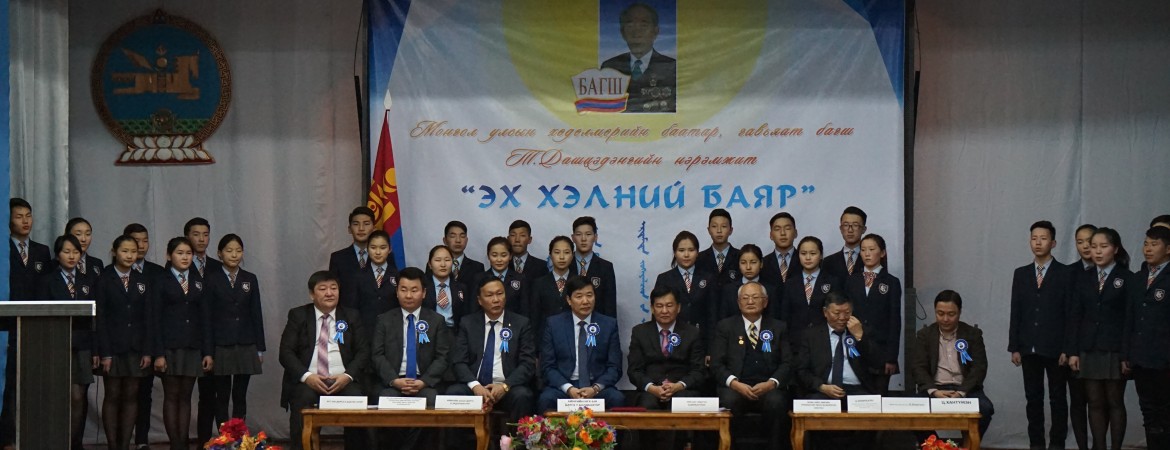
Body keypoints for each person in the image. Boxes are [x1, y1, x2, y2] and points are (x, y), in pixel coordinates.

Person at [279, 271, 369, 450]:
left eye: (333, 288)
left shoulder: (351, 316)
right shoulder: (298, 315)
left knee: (357, 403)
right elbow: (285, 353)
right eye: (323, 289)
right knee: (302, 402)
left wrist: (347, 376)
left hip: (343, 380)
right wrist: (307, 377)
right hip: (309, 381)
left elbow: (363, 351)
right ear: (312, 294)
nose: (329, 293)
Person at [1008, 220, 1075, 450]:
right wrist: (1014, 346)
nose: (1038, 242)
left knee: (1058, 399)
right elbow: (1016, 311)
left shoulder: (1065, 273)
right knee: (1033, 399)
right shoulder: (1021, 273)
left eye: (1043, 238)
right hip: (1028, 346)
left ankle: (1057, 444)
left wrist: (1067, 348)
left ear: (1053, 243)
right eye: (1034, 238)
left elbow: (1070, 314)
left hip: (1056, 348)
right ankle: (1036, 444)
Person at [372, 267, 453, 449]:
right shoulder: (384, 320)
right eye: (403, 289)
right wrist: (394, 380)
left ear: (424, 293)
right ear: (397, 292)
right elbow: (377, 355)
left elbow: (442, 357)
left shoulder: (436, 320)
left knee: (432, 400)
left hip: (423, 383)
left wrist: (424, 382)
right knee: (385, 400)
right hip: (393, 383)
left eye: (414, 290)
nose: (408, 295)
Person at [1069, 227, 1130, 450]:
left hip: (1114, 348)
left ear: (1115, 249)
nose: (1097, 251)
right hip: (1088, 347)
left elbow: (1129, 319)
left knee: (1114, 402)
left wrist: (1126, 354)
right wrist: (1073, 351)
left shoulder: (1127, 277)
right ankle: (1099, 446)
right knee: (1094, 402)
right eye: (1093, 246)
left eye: (1103, 246)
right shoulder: (1084, 277)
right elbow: (1075, 316)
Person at [710, 282, 790, 450]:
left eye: (755, 297)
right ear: (738, 302)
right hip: (736, 387)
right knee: (729, 401)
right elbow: (717, 364)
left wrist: (771, 383)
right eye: (745, 298)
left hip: (767, 387)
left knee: (776, 402)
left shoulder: (779, 327)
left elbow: (787, 363)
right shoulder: (725, 327)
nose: (750, 301)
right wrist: (735, 384)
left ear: (765, 302)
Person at [796, 291, 881, 448]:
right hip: (824, 390)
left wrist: (860, 336)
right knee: (812, 416)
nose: (842, 318)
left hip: (857, 391)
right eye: (837, 313)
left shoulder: (863, 331)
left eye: (847, 313)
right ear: (825, 312)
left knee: (873, 415)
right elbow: (802, 370)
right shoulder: (811, 335)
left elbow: (877, 362)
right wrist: (821, 386)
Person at [150, 237, 213, 450]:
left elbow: (205, 318)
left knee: (185, 396)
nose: (185, 257)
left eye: (188, 253)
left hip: (193, 346)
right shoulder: (160, 280)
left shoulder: (198, 280)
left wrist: (207, 352)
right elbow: (154, 319)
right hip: (169, 347)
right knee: (171, 395)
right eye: (180, 253)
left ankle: (183, 443)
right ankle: (175, 444)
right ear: (169, 256)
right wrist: (158, 353)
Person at [447, 276, 537, 423]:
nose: (496, 300)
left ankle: (515, 438)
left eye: (500, 294)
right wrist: (476, 386)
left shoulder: (521, 323)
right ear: (479, 300)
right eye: (489, 295)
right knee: (454, 392)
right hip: (475, 388)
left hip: (508, 387)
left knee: (523, 395)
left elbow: (527, 363)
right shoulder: (468, 323)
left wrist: (504, 386)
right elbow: (459, 362)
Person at [36, 235, 97, 450]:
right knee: (58, 397)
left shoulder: (89, 280)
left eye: (76, 252)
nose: (71, 256)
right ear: (57, 255)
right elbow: (41, 318)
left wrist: (96, 350)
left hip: (83, 346)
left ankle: (74, 443)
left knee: (79, 397)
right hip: (57, 345)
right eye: (66, 251)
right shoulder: (47, 281)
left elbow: (96, 319)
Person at [96, 235, 154, 450]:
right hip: (112, 347)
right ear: (114, 252)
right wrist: (105, 352)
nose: (130, 255)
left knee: (131, 396)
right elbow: (100, 317)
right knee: (112, 395)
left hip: (136, 347)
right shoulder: (104, 278)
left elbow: (148, 317)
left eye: (133, 251)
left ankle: (125, 444)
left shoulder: (142, 280)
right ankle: (113, 445)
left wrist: (147, 350)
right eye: (125, 251)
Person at [910, 290, 994, 439]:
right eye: (940, 313)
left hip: (966, 390)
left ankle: (966, 444)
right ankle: (935, 446)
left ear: (959, 312)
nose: (945, 319)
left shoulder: (972, 334)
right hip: (935, 389)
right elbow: (918, 367)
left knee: (985, 408)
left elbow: (979, 368)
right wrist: (934, 391)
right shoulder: (925, 335)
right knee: (910, 410)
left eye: (951, 314)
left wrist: (961, 393)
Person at [2, 198, 51, 447]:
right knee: (8, 385)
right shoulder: (3, 249)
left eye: (28, 215)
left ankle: (33, 436)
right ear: (8, 219)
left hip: (35, 328)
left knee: (33, 385)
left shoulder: (42, 251)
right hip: (7, 328)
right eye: (19, 216)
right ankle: (7, 438)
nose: (25, 221)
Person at [537, 276, 624, 412]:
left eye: (589, 295)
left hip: (596, 386)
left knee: (617, 398)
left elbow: (615, 367)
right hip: (565, 386)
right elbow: (548, 366)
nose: (585, 301)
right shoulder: (554, 324)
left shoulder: (608, 324)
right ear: (569, 300)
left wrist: (595, 388)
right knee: (546, 399)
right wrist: (569, 388)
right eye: (579, 296)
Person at [205, 234, 265, 426]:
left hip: (246, 343)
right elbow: (207, 317)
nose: (234, 255)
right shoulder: (211, 279)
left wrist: (259, 348)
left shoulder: (250, 278)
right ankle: (224, 437)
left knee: (240, 394)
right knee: (222, 394)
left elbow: (256, 313)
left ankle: (239, 436)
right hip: (221, 344)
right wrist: (208, 351)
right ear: (219, 254)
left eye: (238, 251)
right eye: (229, 250)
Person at [1123, 226, 1170, 448]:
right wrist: (1126, 354)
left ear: (1168, 249)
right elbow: (1129, 318)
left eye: (1154, 244)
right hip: (1140, 357)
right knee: (1148, 411)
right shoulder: (1138, 278)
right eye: (1146, 244)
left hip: (1164, 359)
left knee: (1165, 412)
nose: (1148, 249)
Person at [123, 223, 165, 450]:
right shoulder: (114, 272)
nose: (140, 245)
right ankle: (120, 441)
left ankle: (141, 440)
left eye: (145, 240)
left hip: (148, 341)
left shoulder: (157, 272)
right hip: (123, 342)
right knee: (122, 394)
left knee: (144, 393)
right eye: (135, 240)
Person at [844, 233, 902, 393]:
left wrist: (891, 357)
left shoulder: (891, 282)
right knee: (856, 398)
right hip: (855, 348)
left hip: (880, 350)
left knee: (879, 397)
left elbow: (895, 321)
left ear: (882, 253)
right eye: (863, 250)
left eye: (871, 249)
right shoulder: (852, 280)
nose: (867, 254)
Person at [183, 217, 222, 444]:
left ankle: (206, 442)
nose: (201, 239)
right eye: (196, 234)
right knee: (183, 394)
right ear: (187, 236)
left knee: (210, 393)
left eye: (205, 234)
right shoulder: (178, 264)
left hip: (212, 338)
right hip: (187, 337)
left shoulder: (217, 266)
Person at [600, 2, 676, 113]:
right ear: (622, 32)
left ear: (656, 31)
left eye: (643, 26)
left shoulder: (672, 67)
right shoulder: (610, 67)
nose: (636, 32)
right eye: (630, 26)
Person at [653, 231, 717, 341]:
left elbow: (713, 314)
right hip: (673, 338)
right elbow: (657, 313)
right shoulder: (664, 279)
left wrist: (712, 346)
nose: (686, 255)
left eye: (691, 250)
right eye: (681, 250)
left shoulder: (708, 278)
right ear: (675, 253)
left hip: (701, 339)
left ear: (697, 252)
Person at [1068, 223, 1097, 450]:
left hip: (1102, 348)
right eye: (1080, 242)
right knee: (1077, 402)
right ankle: (1081, 447)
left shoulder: (1114, 272)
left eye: (1090, 241)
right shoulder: (1069, 273)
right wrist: (1068, 349)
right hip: (1075, 348)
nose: (1085, 246)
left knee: (1101, 403)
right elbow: (1066, 315)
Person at [780, 236, 842, 340]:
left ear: (821, 255)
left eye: (813, 253)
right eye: (803, 253)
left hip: (824, 339)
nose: (808, 258)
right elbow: (785, 315)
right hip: (796, 340)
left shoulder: (832, 282)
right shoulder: (790, 283)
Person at [329, 207, 382, 304]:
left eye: (366, 224)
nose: (361, 228)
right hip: (347, 311)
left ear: (374, 229)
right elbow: (333, 290)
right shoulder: (338, 258)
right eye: (356, 224)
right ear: (349, 229)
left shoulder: (385, 256)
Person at [527, 236, 575, 340]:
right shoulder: (539, 283)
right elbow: (534, 317)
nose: (561, 257)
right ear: (550, 255)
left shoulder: (579, 282)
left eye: (566, 252)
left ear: (572, 255)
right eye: (557, 252)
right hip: (545, 339)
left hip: (573, 337)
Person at [717, 244, 780, 322]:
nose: (748, 267)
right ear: (738, 265)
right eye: (743, 263)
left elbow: (774, 320)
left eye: (753, 262)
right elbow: (723, 321)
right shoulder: (729, 290)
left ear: (761, 264)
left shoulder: (771, 290)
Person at [571, 216, 618, 317]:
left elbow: (610, 306)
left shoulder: (606, 267)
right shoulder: (565, 264)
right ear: (573, 238)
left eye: (588, 234)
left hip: (597, 324)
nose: (583, 239)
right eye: (579, 234)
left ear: (595, 237)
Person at [423, 245, 471, 329]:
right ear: (430, 264)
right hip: (429, 331)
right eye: (438, 260)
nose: (443, 264)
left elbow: (466, 316)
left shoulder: (461, 288)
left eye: (447, 260)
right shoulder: (423, 287)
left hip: (455, 332)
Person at [695, 209, 739, 286]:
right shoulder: (698, 258)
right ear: (709, 230)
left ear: (731, 230)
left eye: (724, 226)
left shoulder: (741, 257)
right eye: (714, 226)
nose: (719, 231)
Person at [823, 206, 867, 280]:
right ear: (841, 228)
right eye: (846, 225)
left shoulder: (872, 259)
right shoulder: (828, 262)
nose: (850, 230)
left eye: (855, 225)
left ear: (864, 229)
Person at [761, 212, 798, 286]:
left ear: (795, 233)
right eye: (777, 229)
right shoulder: (762, 264)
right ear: (771, 235)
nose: (783, 233)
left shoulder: (806, 261)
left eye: (787, 228)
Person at [64, 217, 104, 284]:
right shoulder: (56, 264)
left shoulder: (97, 263)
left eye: (88, 234)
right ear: (67, 236)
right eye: (78, 234)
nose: (83, 239)